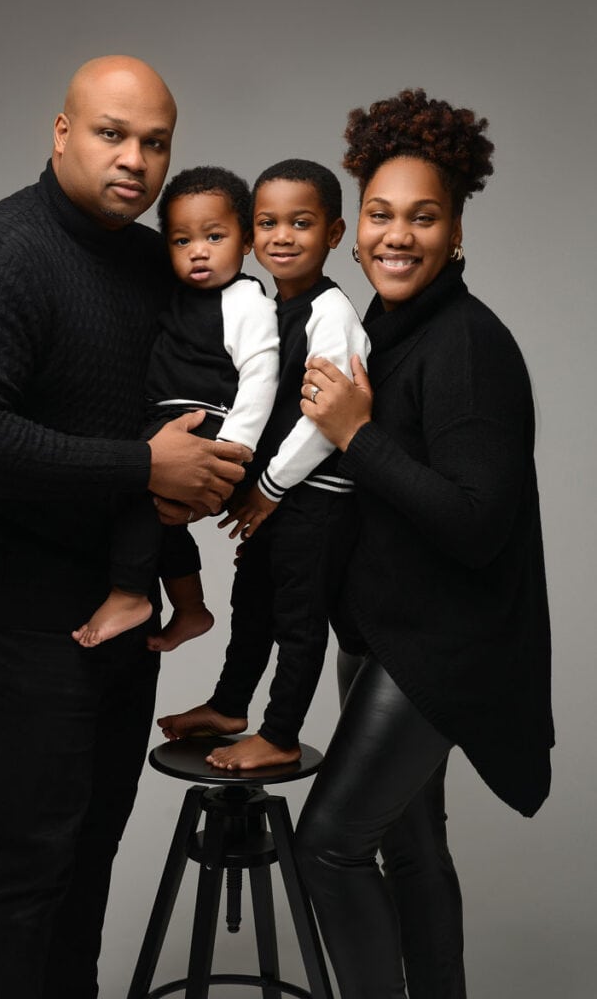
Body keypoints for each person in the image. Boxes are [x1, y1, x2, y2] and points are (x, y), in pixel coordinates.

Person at [0, 56, 251, 999]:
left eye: (155, 142)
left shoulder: (157, 263)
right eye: (112, 134)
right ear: (61, 132)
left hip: (124, 587)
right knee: (36, 850)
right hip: (15, 594)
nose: (136, 161)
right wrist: (147, 464)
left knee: (95, 841)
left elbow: (210, 384)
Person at [294, 89, 554, 999]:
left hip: (443, 644)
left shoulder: (467, 345)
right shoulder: (379, 334)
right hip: (381, 632)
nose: (395, 236)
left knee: (326, 843)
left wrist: (357, 436)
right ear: (353, 227)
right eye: (378, 214)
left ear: (453, 233)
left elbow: (479, 525)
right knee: (409, 845)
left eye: (422, 217)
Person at [158, 159, 370, 770]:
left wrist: (269, 487)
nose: (282, 237)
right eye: (268, 223)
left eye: (300, 224)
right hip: (279, 497)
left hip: (317, 496)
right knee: (253, 603)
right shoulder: (267, 306)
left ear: (333, 234)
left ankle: (279, 734)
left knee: (299, 620)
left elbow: (326, 420)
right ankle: (230, 706)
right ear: (252, 235)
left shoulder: (331, 312)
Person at [72, 166, 279, 650]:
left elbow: (260, 375)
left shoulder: (246, 301)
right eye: (182, 241)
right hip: (164, 416)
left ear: (246, 241)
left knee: (132, 489)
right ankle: (190, 608)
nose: (199, 250)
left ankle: (129, 593)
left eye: (214, 235)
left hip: (208, 422)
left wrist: (235, 448)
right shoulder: (178, 295)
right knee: (157, 516)